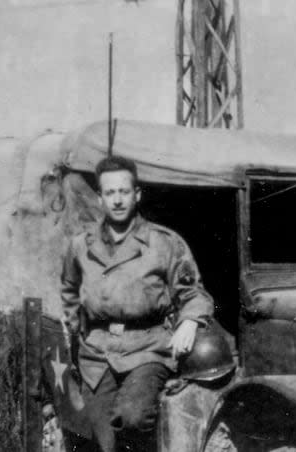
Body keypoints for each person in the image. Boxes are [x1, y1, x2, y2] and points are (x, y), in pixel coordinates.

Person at [61, 156, 213, 451]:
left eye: (124, 192)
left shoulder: (164, 243)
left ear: (137, 195)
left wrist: (190, 322)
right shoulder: (81, 245)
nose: (117, 200)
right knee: (100, 438)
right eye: (110, 193)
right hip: (97, 352)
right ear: (101, 198)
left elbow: (194, 293)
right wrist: (75, 325)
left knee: (133, 417)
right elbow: (69, 287)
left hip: (148, 348)